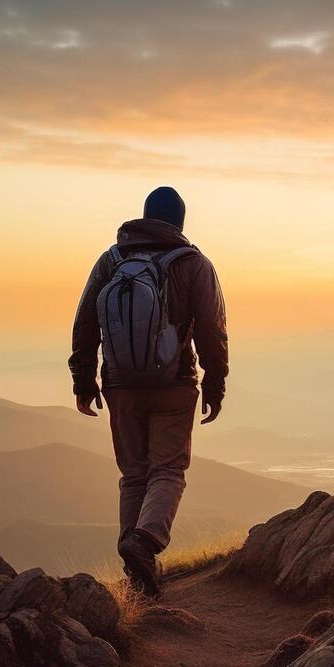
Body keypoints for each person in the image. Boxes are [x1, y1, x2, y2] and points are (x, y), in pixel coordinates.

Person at [69, 186, 228, 595]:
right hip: (174, 383)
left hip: (120, 384)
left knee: (133, 474)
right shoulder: (194, 264)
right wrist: (215, 384)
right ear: (179, 222)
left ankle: (133, 568)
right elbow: (212, 331)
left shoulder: (111, 260)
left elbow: (86, 321)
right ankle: (145, 542)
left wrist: (83, 381)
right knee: (168, 470)